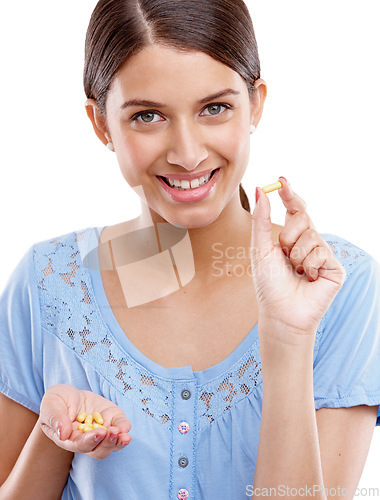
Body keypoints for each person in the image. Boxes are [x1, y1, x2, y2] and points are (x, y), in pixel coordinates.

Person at [0, 0, 380, 498]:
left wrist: (288, 340)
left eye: (214, 108)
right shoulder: (49, 282)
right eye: (148, 115)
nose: (187, 153)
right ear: (100, 124)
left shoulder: (334, 283)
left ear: (256, 104)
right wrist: (58, 438)